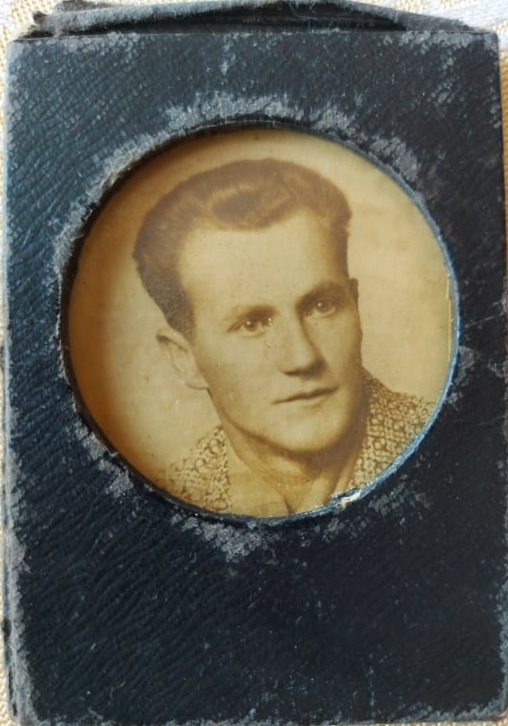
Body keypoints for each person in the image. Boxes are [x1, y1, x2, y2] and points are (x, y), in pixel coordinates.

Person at [133, 158, 432, 517]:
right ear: (185, 358)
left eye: (321, 306)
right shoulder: (158, 506)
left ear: (355, 305)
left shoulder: (446, 445)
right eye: (252, 324)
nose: (303, 358)